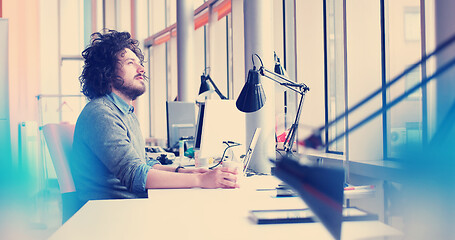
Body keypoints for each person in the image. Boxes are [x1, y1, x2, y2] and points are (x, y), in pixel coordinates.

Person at [72, 29, 238, 203]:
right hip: (113, 213)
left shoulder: (124, 112)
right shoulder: (101, 114)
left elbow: (143, 163)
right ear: (107, 72)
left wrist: (187, 172)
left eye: (139, 63)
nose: (141, 69)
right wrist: (201, 180)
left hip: (128, 206)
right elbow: (136, 175)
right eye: (130, 63)